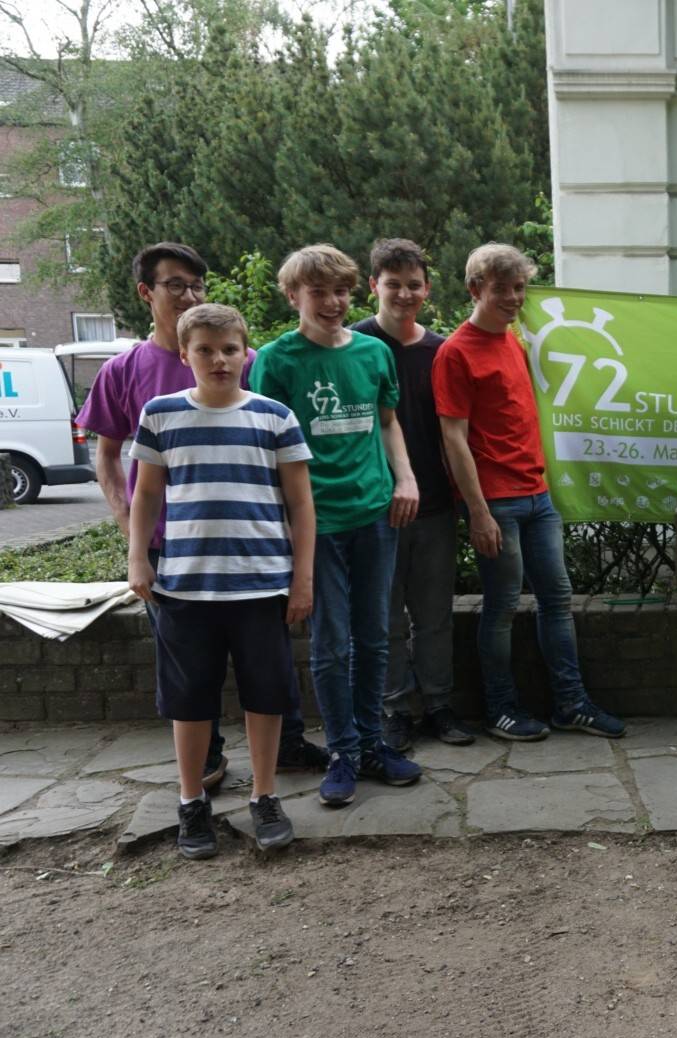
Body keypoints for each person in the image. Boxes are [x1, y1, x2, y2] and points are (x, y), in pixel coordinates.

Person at [76, 241, 329, 781]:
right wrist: (133, 535)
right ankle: (206, 763)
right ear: (146, 292)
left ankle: (283, 749)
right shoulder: (123, 371)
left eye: (196, 285)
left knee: (267, 663)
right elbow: (108, 457)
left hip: (251, 550)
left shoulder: (248, 363)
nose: (189, 295)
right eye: (175, 285)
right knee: (190, 670)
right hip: (170, 552)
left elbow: (276, 448)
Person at [126, 304, 314, 857]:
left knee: (266, 695)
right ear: (184, 354)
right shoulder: (161, 415)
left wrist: (302, 578)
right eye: (205, 350)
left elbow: (301, 504)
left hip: (262, 585)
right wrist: (138, 558)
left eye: (229, 349)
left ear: (244, 353)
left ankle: (264, 796)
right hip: (185, 588)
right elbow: (146, 494)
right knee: (189, 701)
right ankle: (191, 802)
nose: (219, 360)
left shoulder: (274, 417)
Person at [249, 244, 424, 807]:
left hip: (376, 511)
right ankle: (343, 752)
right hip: (316, 523)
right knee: (329, 644)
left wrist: (405, 479)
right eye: (318, 292)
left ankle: (372, 744)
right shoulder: (275, 360)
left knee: (375, 635)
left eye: (342, 291)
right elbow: (267, 447)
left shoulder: (374, 352)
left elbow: (388, 422)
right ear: (292, 295)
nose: (332, 302)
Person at [433, 242, 624, 742]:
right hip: (496, 502)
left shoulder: (514, 341)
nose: (514, 298)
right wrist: (477, 512)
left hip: (538, 495)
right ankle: (500, 710)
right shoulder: (455, 352)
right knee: (501, 607)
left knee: (557, 600)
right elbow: (453, 438)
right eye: (502, 289)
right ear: (475, 289)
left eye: (519, 288)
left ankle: (571, 704)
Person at [352, 239, 474, 750]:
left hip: (436, 505)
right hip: (375, 509)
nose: (404, 294)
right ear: (373, 286)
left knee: (434, 615)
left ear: (427, 289)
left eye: (414, 285)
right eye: (393, 284)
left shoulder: (441, 351)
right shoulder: (355, 345)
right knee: (384, 618)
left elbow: (456, 432)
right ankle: (395, 710)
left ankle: (439, 705)